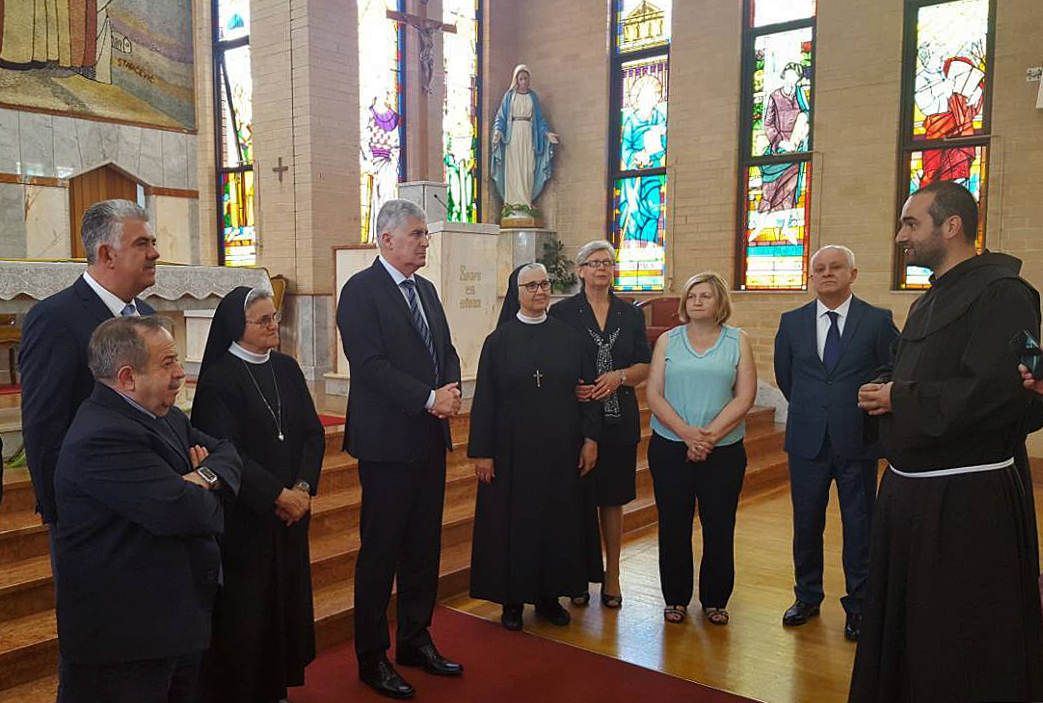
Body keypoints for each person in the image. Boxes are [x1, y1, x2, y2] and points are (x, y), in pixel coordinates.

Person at [851, 181, 1043, 702]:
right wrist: (884, 387)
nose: (900, 237)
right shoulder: (929, 298)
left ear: (952, 226)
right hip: (909, 495)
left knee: (958, 638)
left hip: (966, 503)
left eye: (911, 223)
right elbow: (919, 372)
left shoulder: (1004, 293)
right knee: (909, 632)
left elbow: (1001, 392)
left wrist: (899, 397)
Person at [53, 315, 241, 703]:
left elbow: (228, 453)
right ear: (128, 378)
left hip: (174, 619)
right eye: (168, 363)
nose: (180, 373)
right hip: (126, 638)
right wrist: (200, 489)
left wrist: (201, 477)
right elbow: (187, 513)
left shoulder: (164, 415)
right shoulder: (101, 435)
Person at [338, 198, 464, 699]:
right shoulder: (360, 291)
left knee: (423, 548)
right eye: (417, 234)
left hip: (429, 439)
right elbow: (369, 365)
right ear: (386, 238)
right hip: (386, 444)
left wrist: (450, 389)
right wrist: (430, 398)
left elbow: (445, 349)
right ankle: (372, 656)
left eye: (425, 234)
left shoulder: (426, 290)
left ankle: (415, 639)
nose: (425, 242)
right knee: (381, 552)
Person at [191, 286, 325, 703]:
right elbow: (226, 452)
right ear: (238, 325)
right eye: (263, 320)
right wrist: (277, 496)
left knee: (286, 604)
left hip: (291, 516)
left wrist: (302, 489)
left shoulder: (287, 368)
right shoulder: (219, 380)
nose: (274, 326)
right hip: (247, 520)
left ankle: (278, 686)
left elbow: (312, 434)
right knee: (249, 613)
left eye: (275, 317)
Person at [774, 245, 898, 641]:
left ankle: (859, 605)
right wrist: (816, 408)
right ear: (811, 276)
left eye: (836, 267)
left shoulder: (877, 320)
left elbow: (892, 367)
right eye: (820, 268)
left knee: (860, 526)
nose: (827, 273)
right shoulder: (791, 322)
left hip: (857, 439)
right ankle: (807, 596)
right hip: (807, 440)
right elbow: (786, 376)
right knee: (806, 523)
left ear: (853, 274)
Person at [469, 263, 600, 630]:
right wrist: (483, 452)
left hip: (561, 448)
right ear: (517, 292)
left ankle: (549, 598)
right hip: (512, 451)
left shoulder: (570, 338)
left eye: (544, 284)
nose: (540, 291)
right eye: (531, 286)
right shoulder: (498, 341)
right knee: (515, 524)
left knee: (556, 522)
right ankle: (512, 601)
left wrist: (590, 439)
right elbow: (485, 399)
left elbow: (589, 391)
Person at [646, 272, 756, 626]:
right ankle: (675, 598)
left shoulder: (738, 340)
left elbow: (745, 396)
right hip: (670, 447)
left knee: (719, 525)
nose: (697, 301)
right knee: (673, 525)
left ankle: (715, 599)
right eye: (692, 295)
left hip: (723, 450)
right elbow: (654, 394)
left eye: (705, 296)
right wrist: (686, 434)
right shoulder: (668, 340)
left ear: (719, 301)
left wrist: (709, 437)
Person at [549, 241, 651, 608]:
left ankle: (613, 576)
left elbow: (644, 365)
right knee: (577, 501)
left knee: (612, 499)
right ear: (580, 270)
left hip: (619, 419)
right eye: (594, 263)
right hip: (576, 420)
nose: (602, 268)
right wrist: (571, 386)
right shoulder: (562, 313)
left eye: (608, 262)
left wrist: (619, 376)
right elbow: (553, 362)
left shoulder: (630, 314)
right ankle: (577, 575)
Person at [490, 64, 558, 215]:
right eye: (521, 79)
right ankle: (511, 203)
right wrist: (498, 132)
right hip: (513, 135)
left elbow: (539, 120)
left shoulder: (533, 97)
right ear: (516, 80)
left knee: (527, 167)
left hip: (528, 134)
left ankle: (525, 201)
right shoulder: (509, 96)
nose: (523, 81)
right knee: (514, 167)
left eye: (526, 78)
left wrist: (547, 134)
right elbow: (501, 117)